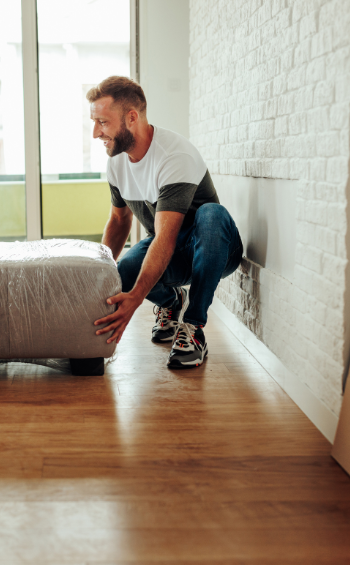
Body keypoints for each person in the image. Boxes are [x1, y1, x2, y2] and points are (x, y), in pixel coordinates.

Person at [91, 76, 243, 368]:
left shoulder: (174, 155)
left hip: (214, 250)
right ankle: (172, 302)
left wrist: (136, 298)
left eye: (103, 122)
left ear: (131, 117)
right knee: (122, 271)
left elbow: (166, 238)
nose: (96, 132)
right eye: (94, 122)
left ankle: (194, 327)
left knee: (212, 213)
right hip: (171, 251)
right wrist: (99, 274)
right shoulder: (117, 161)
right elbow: (118, 220)